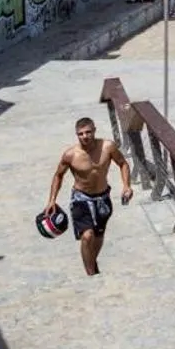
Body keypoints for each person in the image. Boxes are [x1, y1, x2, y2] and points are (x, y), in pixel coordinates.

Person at [44, 116, 133, 276]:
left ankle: (91, 262)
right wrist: (52, 200)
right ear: (77, 135)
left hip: (103, 199)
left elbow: (123, 163)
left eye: (88, 132)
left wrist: (126, 185)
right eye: (81, 134)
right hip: (81, 199)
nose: (85, 136)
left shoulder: (107, 147)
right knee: (87, 236)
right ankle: (91, 273)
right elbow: (58, 175)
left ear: (94, 131)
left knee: (98, 236)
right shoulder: (70, 155)